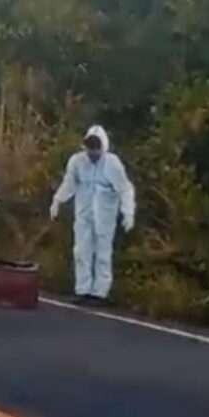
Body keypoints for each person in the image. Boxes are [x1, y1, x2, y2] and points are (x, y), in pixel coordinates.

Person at [50, 125, 135, 305]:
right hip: (83, 215)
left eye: (96, 148)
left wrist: (128, 212)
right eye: (90, 148)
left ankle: (100, 293)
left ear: (103, 147)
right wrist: (57, 200)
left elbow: (125, 189)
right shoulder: (77, 162)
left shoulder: (112, 164)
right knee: (81, 251)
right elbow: (69, 184)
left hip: (105, 218)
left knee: (103, 254)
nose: (93, 153)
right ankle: (83, 289)